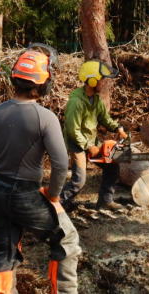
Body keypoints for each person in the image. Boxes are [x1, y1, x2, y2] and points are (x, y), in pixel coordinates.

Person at [0, 46, 81, 294]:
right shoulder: (45, 117)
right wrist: (53, 196)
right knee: (67, 240)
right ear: (43, 83)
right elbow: (61, 164)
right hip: (25, 195)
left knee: (3, 249)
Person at [59, 60, 127, 211]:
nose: (104, 83)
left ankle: (105, 201)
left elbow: (105, 118)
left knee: (112, 167)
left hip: (91, 141)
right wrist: (89, 147)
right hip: (77, 145)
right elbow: (73, 130)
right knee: (79, 181)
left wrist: (118, 128)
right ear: (92, 80)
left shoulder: (95, 99)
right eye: (102, 80)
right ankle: (58, 205)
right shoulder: (76, 102)